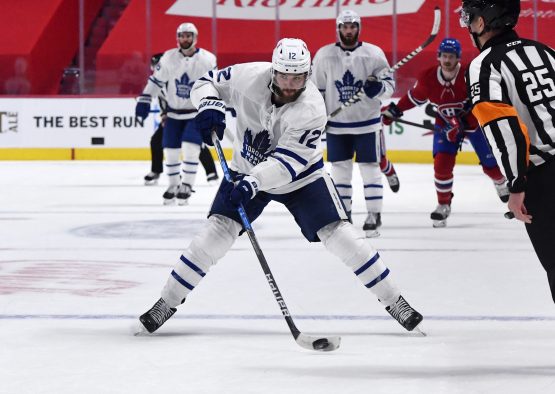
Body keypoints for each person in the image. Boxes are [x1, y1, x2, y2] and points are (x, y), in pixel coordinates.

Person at [136, 38, 423, 335]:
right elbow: (204, 82)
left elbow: (286, 164)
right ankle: (166, 303)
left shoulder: (312, 108)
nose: (289, 84)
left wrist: (252, 183)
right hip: (245, 170)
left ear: (307, 74)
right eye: (284, 75)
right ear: (273, 70)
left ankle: (395, 301)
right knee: (213, 235)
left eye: (297, 76)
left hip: (302, 177)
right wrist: (209, 104)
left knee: (341, 237)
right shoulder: (249, 76)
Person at [461, 0, 555, 303]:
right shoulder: (545, 52)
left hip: (544, 179)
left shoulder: (484, 64)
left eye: (471, 17)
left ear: (483, 22)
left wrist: (516, 186)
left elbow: (508, 130)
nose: (468, 24)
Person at [381, 37, 509, 227]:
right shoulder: (429, 77)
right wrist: (396, 110)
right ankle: (443, 204)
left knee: (491, 165)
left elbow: (483, 99)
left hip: (473, 123)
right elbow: (414, 97)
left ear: (458, 58)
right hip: (445, 125)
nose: (447, 60)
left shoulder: (469, 74)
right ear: (439, 57)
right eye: (444, 56)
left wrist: (463, 119)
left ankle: (500, 182)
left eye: (451, 56)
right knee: (442, 165)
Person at [311, 10, 399, 238]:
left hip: (367, 124)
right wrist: (318, 116)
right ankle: (344, 214)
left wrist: (377, 89)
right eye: (344, 27)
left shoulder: (373, 54)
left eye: (352, 27)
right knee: (340, 172)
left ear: (358, 28)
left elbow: (389, 85)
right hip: (336, 124)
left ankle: (374, 214)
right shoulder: (323, 55)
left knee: (369, 169)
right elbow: (316, 90)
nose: (348, 31)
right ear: (338, 28)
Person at [135, 23, 217, 204]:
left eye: (188, 36)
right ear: (177, 37)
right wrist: (145, 98)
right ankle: (173, 184)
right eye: (182, 36)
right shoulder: (169, 57)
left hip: (195, 113)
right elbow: (156, 81)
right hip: (173, 114)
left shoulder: (207, 59)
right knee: (170, 151)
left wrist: (213, 109)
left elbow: (215, 86)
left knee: (190, 148)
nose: (185, 39)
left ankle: (186, 185)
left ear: (195, 38)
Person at [143, 53, 219, 186]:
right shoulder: (158, 84)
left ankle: (211, 173)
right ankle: (156, 171)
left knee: (194, 143)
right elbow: (162, 102)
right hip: (172, 118)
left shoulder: (180, 76)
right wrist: (164, 115)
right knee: (156, 141)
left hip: (190, 116)